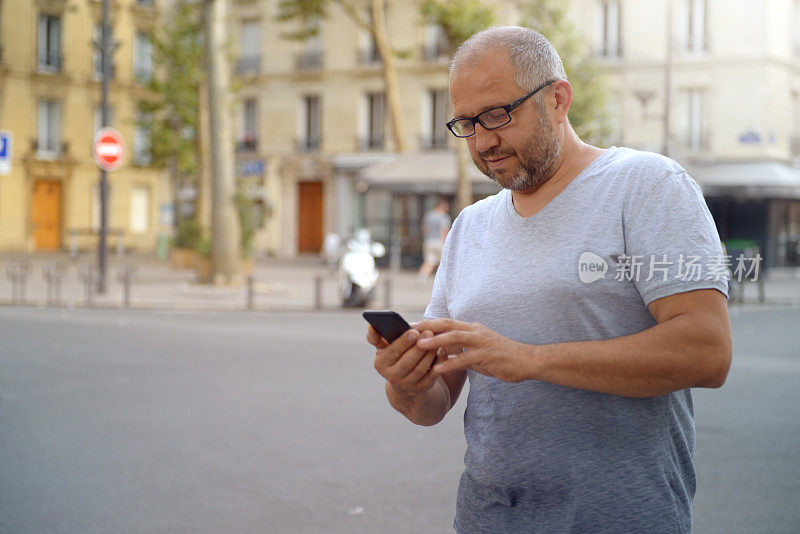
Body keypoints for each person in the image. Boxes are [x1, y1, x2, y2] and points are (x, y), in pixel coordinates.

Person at [366, 26, 732, 533]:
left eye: (498, 114)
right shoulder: (470, 226)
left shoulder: (648, 185)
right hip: (486, 517)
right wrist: (405, 382)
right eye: (467, 123)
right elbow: (433, 405)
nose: (483, 140)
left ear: (558, 98)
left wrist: (529, 359)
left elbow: (707, 351)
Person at [417, 197, 452, 283]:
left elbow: (424, 229)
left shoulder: (428, 215)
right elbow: (444, 230)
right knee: (442, 262)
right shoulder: (444, 217)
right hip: (439, 241)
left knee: (429, 261)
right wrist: (445, 242)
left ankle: (422, 277)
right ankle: (440, 281)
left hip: (428, 241)